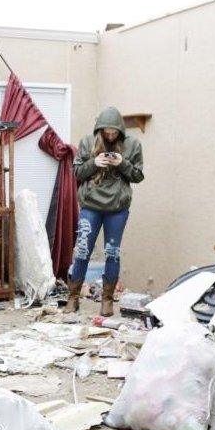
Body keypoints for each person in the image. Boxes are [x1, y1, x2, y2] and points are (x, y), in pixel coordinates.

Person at [65, 107, 144, 316]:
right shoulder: (87, 142)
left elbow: (138, 176)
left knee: (112, 253)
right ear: (99, 129)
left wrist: (122, 163)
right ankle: (73, 298)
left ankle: (107, 301)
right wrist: (94, 162)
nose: (110, 136)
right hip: (90, 205)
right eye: (106, 132)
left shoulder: (133, 144)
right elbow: (77, 172)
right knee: (82, 251)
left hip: (117, 208)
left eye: (114, 132)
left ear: (120, 130)